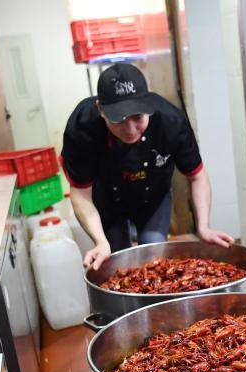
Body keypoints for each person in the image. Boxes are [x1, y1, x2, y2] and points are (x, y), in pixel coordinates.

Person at [60, 63, 234, 270]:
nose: (130, 130)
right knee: (115, 260)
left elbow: (197, 176)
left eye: (138, 118)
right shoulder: (82, 128)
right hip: (105, 199)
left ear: (148, 104)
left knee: (154, 258)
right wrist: (100, 241)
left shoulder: (171, 122)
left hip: (153, 199)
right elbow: (80, 193)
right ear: (101, 110)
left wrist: (203, 226)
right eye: (119, 119)